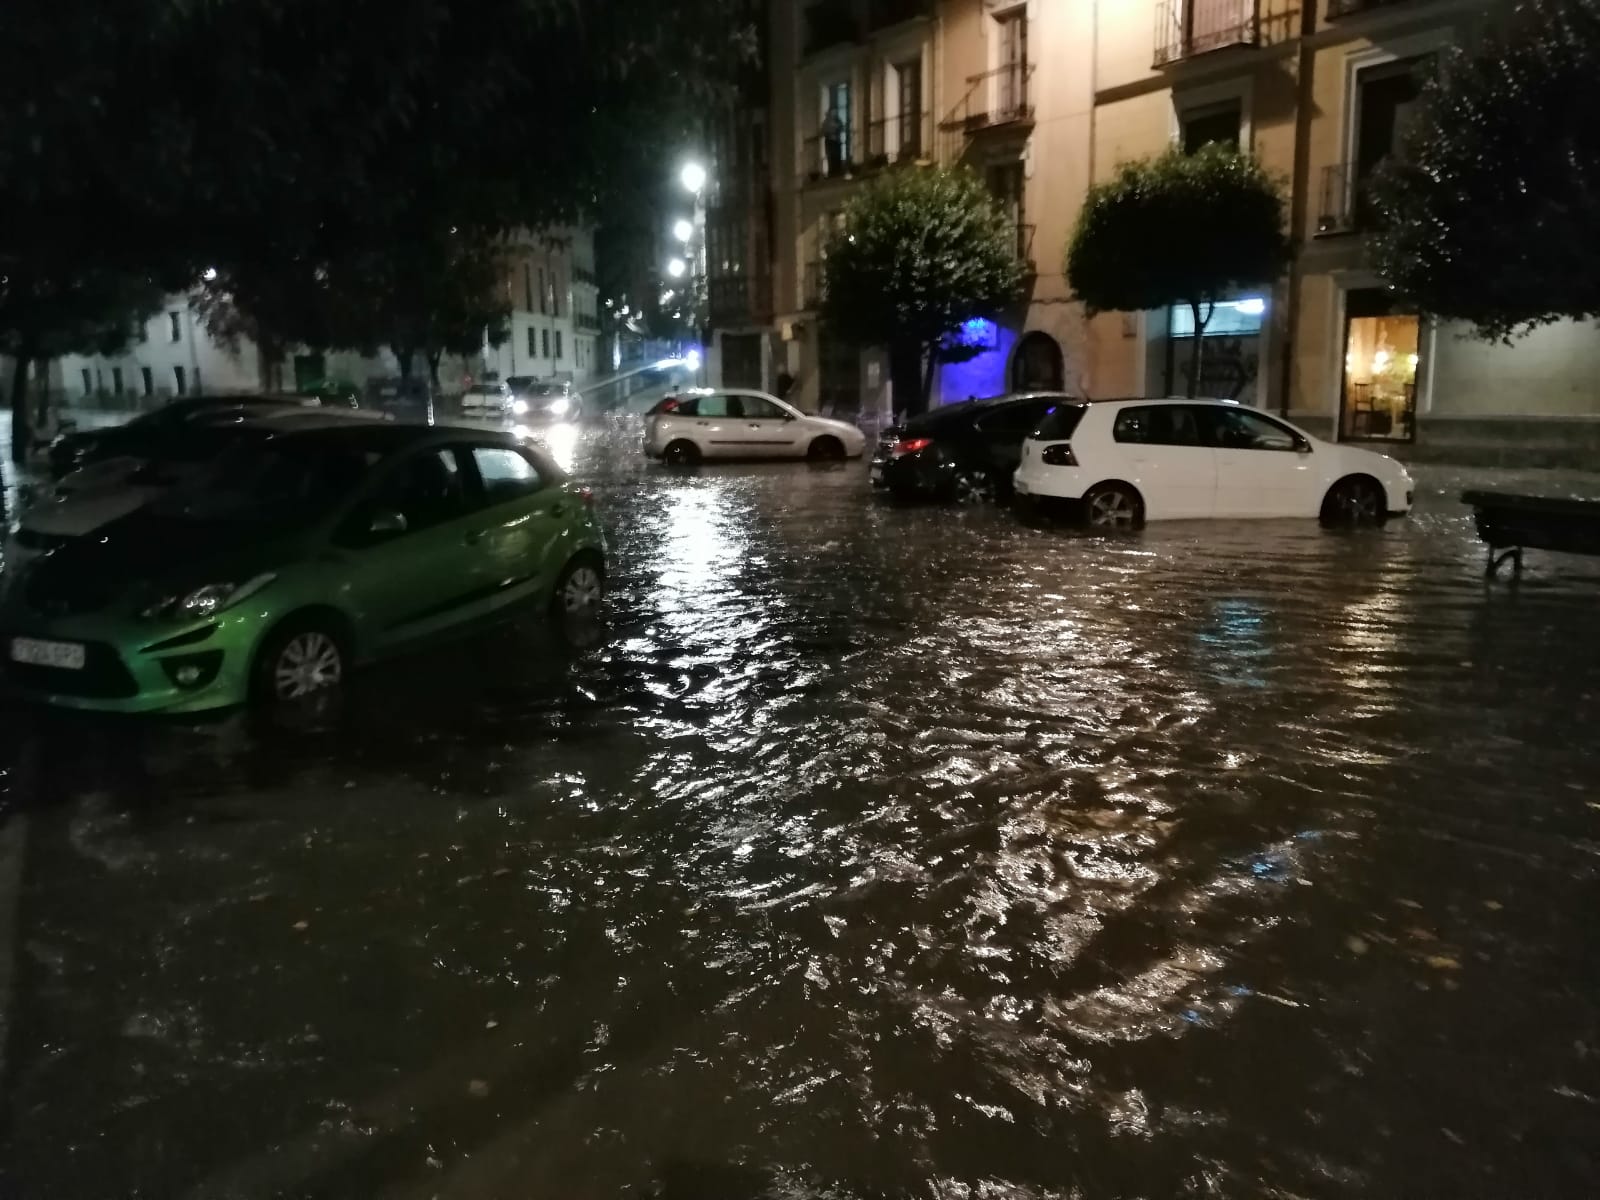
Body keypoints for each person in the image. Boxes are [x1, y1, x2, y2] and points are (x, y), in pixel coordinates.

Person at [820, 106, 845, 178]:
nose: (834, 113)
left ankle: (838, 171)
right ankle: (832, 172)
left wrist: (837, 128)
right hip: (830, 141)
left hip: (837, 141)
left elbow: (842, 127)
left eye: (835, 112)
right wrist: (829, 133)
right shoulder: (826, 122)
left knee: (837, 156)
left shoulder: (838, 120)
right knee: (831, 157)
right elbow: (823, 131)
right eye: (833, 112)